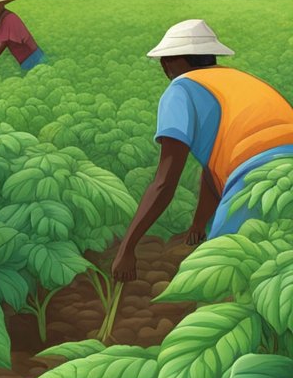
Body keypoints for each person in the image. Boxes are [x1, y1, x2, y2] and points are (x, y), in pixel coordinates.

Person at [112, 20, 293, 281]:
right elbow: (215, 167)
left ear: (172, 61)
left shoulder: (181, 89)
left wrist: (127, 248)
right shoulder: (238, 80)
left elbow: (164, 182)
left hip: (255, 176)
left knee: (222, 277)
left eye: (165, 60)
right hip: (279, 166)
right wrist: (199, 224)